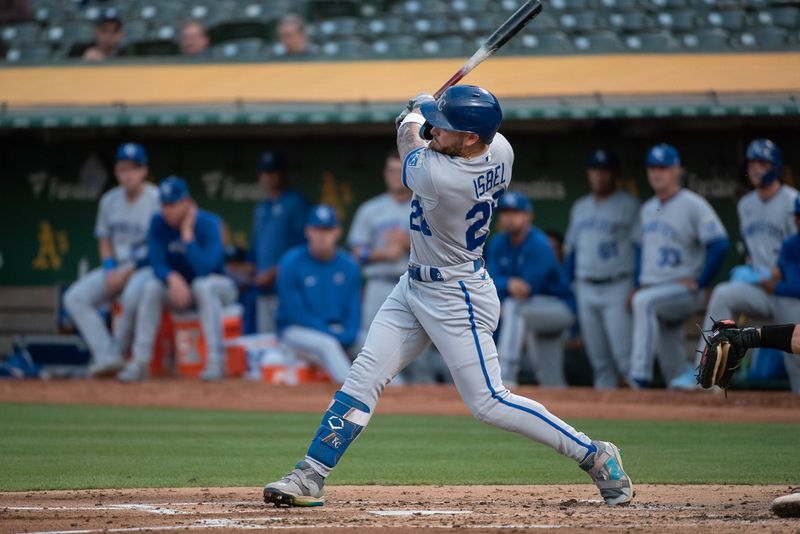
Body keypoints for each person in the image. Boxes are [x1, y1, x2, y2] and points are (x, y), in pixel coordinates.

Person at [262, 85, 632, 508]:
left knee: (489, 403)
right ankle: (311, 474)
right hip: (413, 285)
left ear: (472, 138)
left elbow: (410, 139)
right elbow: (428, 133)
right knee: (363, 374)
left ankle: (595, 454)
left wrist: (415, 113)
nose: (439, 129)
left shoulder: (441, 175)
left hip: (458, 296)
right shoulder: (501, 148)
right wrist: (430, 113)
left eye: (448, 126)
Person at [671, 139, 798, 389]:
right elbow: (751, 249)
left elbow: (796, 252)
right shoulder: (745, 205)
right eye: (752, 163)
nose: (756, 169)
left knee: (795, 360)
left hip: (789, 290)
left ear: (776, 166)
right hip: (760, 288)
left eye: (762, 163)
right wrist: (753, 270)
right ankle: (704, 371)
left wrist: (771, 273)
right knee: (723, 293)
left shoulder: (793, 201)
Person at [628, 144, 729, 388]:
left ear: (676, 170)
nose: (657, 173)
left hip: (681, 289)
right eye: (652, 167)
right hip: (655, 287)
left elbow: (719, 243)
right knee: (671, 361)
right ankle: (682, 391)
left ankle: (638, 376)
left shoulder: (693, 204)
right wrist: (636, 283)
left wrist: (701, 281)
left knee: (644, 302)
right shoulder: (647, 208)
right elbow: (642, 250)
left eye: (663, 167)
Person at [118, 176, 237, 382]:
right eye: (164, 204)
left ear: (186, 202)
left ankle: (216, 362)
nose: (167, 210)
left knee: (202, 285)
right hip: (180, 291)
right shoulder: (158, 222)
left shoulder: (210, 223)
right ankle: (140, 362)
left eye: (172, 204)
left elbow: (206, 268)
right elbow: (156, 262)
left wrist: (187, 235)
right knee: (152, 286)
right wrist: (171, 277)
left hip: (218, 288)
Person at [64, 143, 159, 376]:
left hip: (143, 268)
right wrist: (108, 268)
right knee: (74, 298)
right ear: (116, 172)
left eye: (133, 168)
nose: (128, 174)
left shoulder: (156, 199)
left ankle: (129, 357)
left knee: (130, 296)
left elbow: (156, 246)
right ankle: (107, 356)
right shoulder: (109, 201)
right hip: (115, 266)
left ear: (144, 171)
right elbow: (104, 240)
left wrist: (125, 273)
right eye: (123, 169)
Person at [564, 150, 640, 389]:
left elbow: (640, 248)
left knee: (625, 358)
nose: (599, 176)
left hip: (617, 284)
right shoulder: (580, 207)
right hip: (585, 284)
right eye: (595, 170)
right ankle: (611, 419)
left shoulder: (630, 205)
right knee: (599, 361)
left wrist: (636, 284)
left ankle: (642, 413)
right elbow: (572, 251)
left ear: (614, 174)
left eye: (604, 170)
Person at [488, 192, 577, 387]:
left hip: (559, 308)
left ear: (528, 215)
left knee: (514, 306)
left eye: (516, 212)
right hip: (534, 310)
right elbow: (489, 282)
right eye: (505, 212)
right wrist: (509, 283)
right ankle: (563, 402)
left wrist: (506, 285)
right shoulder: (497, 243)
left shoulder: (540, 244)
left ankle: (505, 374)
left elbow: (524, 290)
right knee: (549, 375)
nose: (509, 218)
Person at [275, 205, 361, 384]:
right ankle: (352, 396)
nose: (322, 235)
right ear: (308, 231)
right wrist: (334, 335)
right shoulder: (290, 262)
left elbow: (354, 312)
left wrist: (347, 335)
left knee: (370, 342)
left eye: (328, 230)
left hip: (336, 330)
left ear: (337, 232)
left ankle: (399, 393)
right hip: (296, 332)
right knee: (328, 345)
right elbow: (296, 314)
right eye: (317, 229)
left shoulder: (350, 265)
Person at [347, 151, 411, 345]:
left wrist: (408, 242)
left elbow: (442, 249)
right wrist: (382, 254)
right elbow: (356, 252)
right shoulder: (370, 209)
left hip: (415, 285)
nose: (395, 176)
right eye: (391, 171)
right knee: (373, 344)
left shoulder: (425, 208)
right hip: (379, 283)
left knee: (418, 355)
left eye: (400, 171)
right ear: (385, 174)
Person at [242, 151, 308, 334]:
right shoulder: (261, 208)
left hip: (287, 288)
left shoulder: (295, 202)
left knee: (288, 341)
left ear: (282, 174)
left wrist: (275, 271)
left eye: (273, 172)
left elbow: (303, 246)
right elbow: (256, 246)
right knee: (266, 342)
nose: (269, 177)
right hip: (263, 291)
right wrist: (249, 267)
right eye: (265, 172)